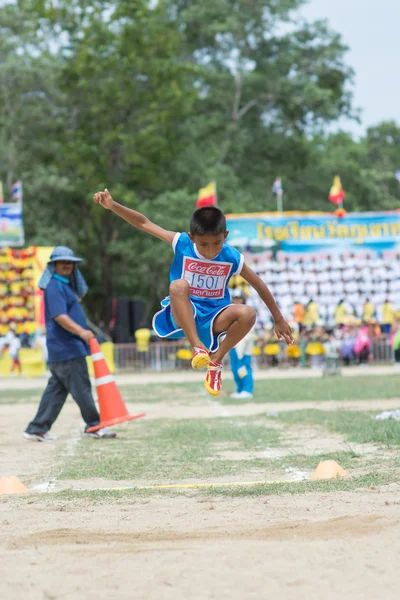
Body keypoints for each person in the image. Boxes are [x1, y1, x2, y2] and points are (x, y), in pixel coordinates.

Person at [93, 190, 293, 396]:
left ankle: (215, 361)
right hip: (182, 313)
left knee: (248, 313)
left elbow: (259, 284)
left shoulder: (231, 256)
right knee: (179, 286)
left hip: (214, 317)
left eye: (217, 243)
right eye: (203, 244)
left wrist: (278, 318)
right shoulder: (181, 243)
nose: (210, 251)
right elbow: (144, 223)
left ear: (225, 236)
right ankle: (198, 347)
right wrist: (113, 206)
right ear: (192, 238)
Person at [24, 246, 116, 442]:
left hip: (62, 349)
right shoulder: (55, 286)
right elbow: (59, 316)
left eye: (70, 262)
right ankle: (94, 425)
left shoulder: (62, 285)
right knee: (81, 387)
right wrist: (82, 331)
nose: (67, 265)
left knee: (56, 391)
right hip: (67, 348)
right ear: (53, 265)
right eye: (62, 262)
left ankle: (37, 428)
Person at [228, 290, 256, 399]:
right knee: (235, 368)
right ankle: (239, 389)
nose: (237, 300)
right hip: (232, 344)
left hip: (244, 345)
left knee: (243, 367)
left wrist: (242, 342)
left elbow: (250, 331)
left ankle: (247, 390)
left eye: (239, 298)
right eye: (235, 298)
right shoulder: (230, 311)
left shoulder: (248, 311)